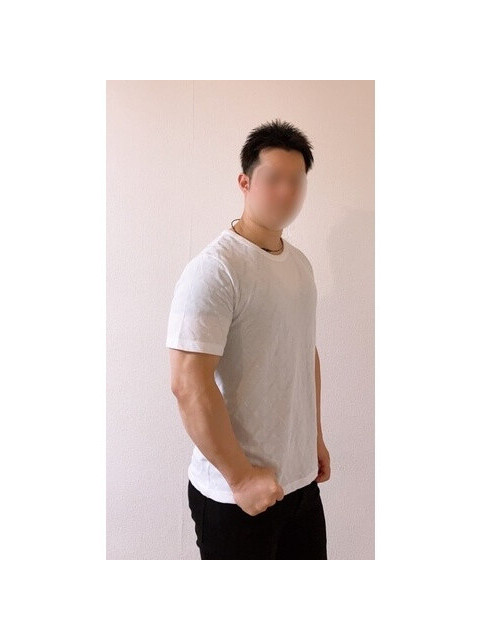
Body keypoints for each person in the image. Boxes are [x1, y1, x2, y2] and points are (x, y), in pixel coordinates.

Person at [166, 118, 331, 559]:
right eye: (273, 179)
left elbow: (304, 354)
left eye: (296, 181)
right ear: (245, 182)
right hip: (234, 496)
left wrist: (313, 439)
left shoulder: (299, 264)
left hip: (299, 485)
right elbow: (187, 383)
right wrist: (240, 478)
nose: (286, 192)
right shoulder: (215, 270)